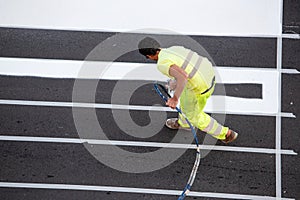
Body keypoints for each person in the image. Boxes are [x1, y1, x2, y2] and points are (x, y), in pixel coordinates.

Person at [138, 37, 238, 143]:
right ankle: (184, 123)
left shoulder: (162, 64)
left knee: (194, 116)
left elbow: (183, 76)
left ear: (148, 56)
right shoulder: (174, 48)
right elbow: (186, 68)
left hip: (200, 87)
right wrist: (175, 83)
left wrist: (175, 99)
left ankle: (226, 134)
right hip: (208, 74)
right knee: (186, 98)